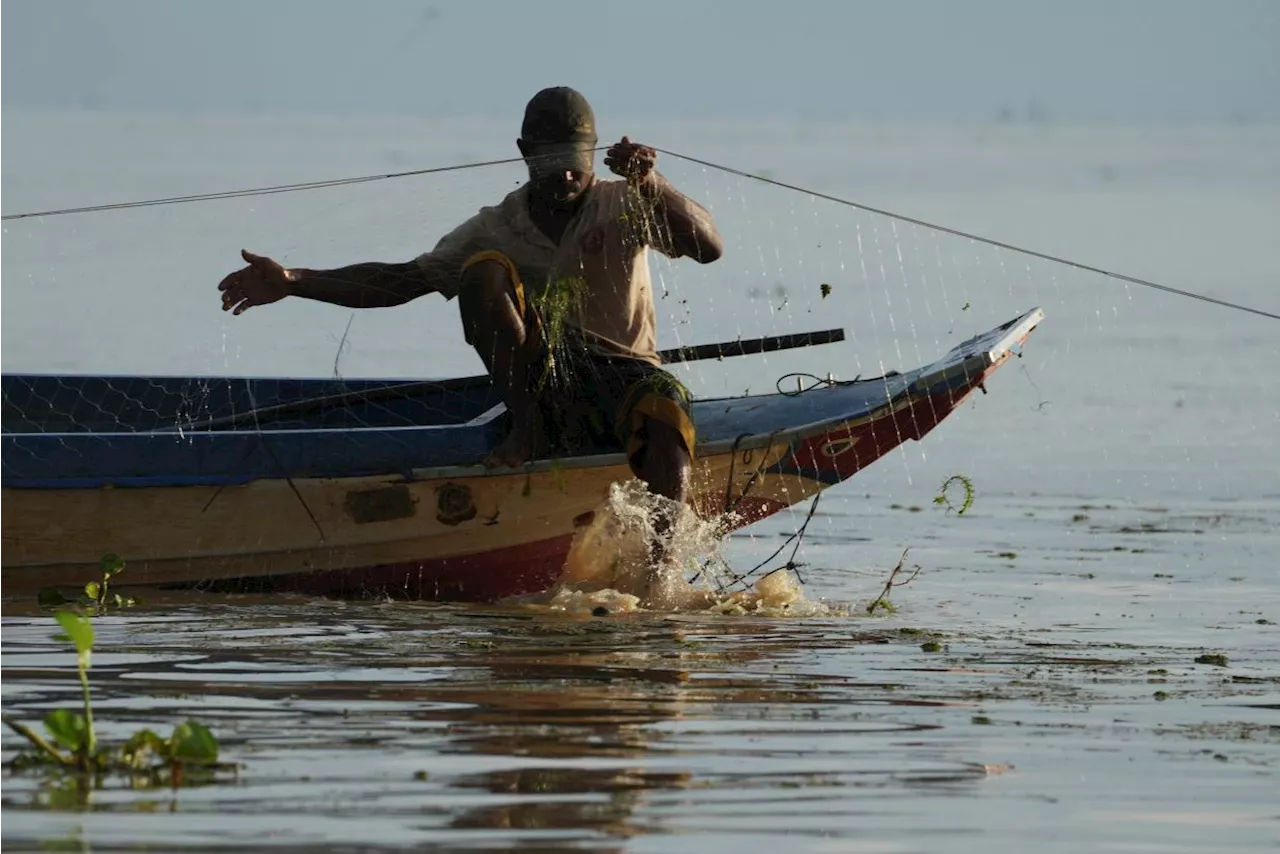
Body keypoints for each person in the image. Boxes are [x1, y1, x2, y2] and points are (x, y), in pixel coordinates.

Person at [217, 87, 723, 522]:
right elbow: (400, 282)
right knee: (482, 270)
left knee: (663, 415)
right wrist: (294, 281)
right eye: (552, 164)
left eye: (576, 166)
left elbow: (707, 247)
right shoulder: (495, 225)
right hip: (545, 386)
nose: (566, 179)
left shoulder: (627, 203)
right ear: (525, 153)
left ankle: (660, 582)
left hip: (625, 374)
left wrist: (652, 184)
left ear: (593, 155)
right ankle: (527, 429)